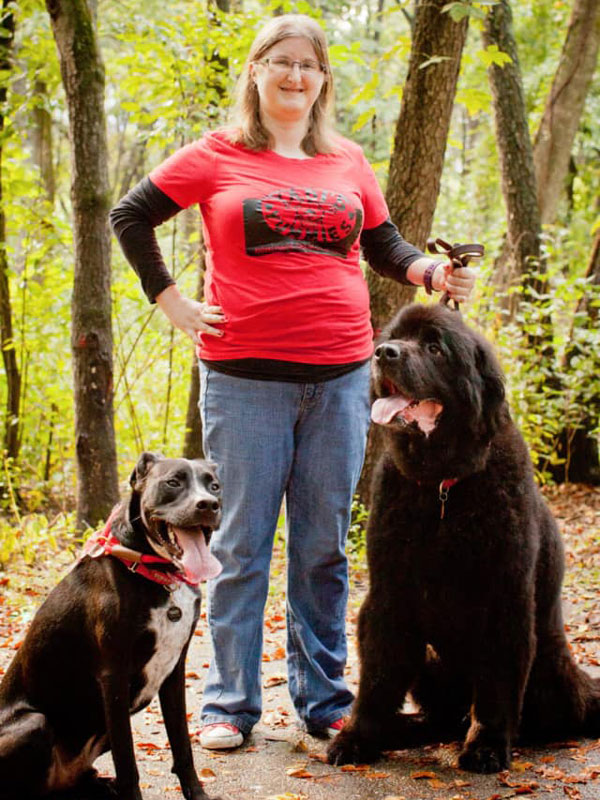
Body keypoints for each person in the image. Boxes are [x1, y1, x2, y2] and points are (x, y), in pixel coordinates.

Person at [110, 13, 476, 751]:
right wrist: (172, 301)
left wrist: (430, 271)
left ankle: (324, 700)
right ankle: (229, 704)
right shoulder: (217, 154)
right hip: (245, 380)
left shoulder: (345, 159)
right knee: (240, 544)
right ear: (256, 70)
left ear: (322, 80)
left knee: (322, 549)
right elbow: (131, 214)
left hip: (342, 378)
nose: (295, 75)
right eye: (282, 61)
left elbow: (382, 242)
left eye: (309, 64)